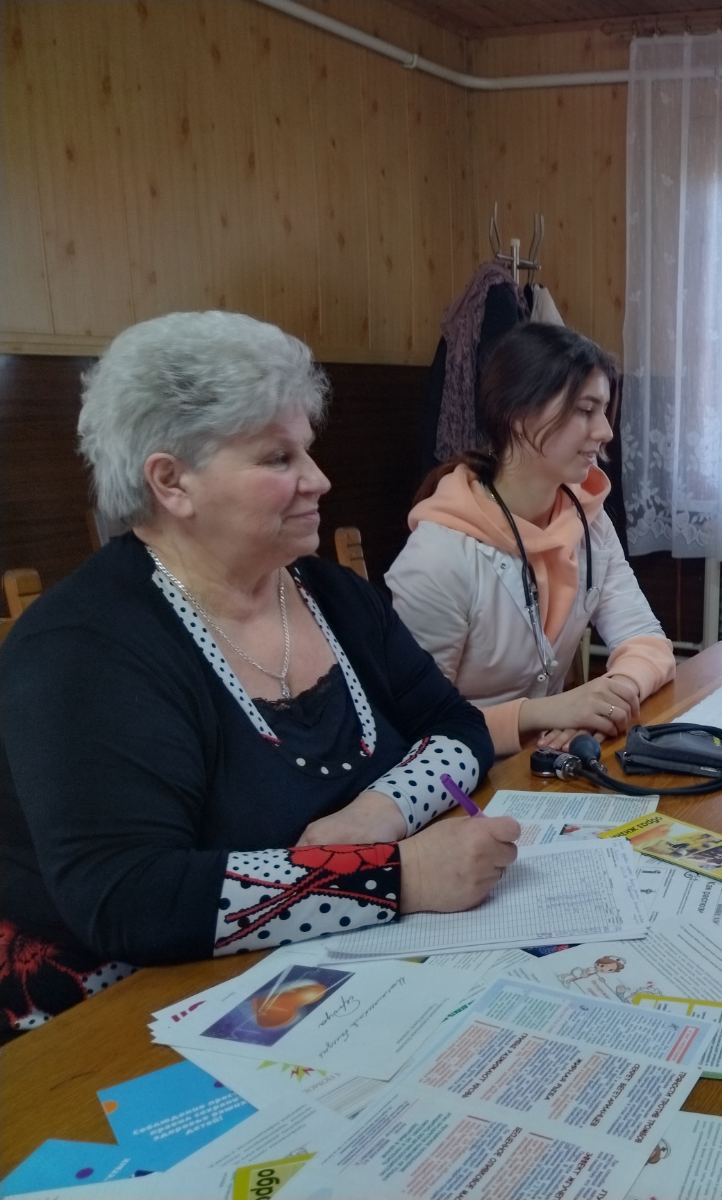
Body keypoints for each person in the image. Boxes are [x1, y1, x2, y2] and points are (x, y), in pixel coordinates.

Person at [0, 312, 519, 1039]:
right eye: (279, 459)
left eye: (307, 449)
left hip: (325, 971)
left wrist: (376, 815)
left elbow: (456, 726)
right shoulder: (81, 649)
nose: (318, 478)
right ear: (172, 482)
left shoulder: (327, 592)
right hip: (121, 1017)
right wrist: (394, 877)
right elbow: (128, 899)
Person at [387, 322, 675, 758]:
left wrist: (612, 696)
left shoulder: (589, 520)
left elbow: (646, 640)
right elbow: (412, 723)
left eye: (604, 410)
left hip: (544, 766)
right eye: (585, 410)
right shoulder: (438, 556)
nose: (605, 431)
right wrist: (544, 713)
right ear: (520, 415)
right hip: (461, 783)